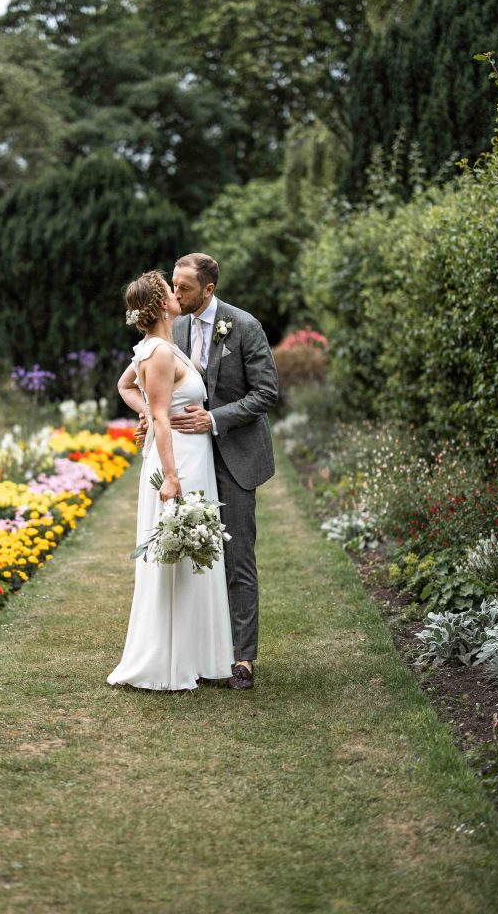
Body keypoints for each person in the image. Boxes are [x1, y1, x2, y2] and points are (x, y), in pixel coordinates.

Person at [107, 270, 234, 691]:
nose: (178, 295)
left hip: (193, 457)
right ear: (163, 304)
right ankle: (169, 661)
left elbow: (129, 388)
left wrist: (143, 408)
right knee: (175, 557)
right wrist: (172, 476)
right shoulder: (158, 352)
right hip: (177, 462)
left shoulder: (162, 347)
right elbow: (161, 415)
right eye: (171, 290)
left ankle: (197, 655)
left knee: (191, 556)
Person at [168, 253, 278, 690]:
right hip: (189, 457)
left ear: (209, 289)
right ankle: (199, 652)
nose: (175, 295)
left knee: (237, 558)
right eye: (174, 285)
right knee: (190, 552)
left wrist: (215, 419)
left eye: (184, 289)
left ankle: (242, 659)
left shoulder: (245, 326)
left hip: (235, 456)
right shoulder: (175, 327)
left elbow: (267, 392)